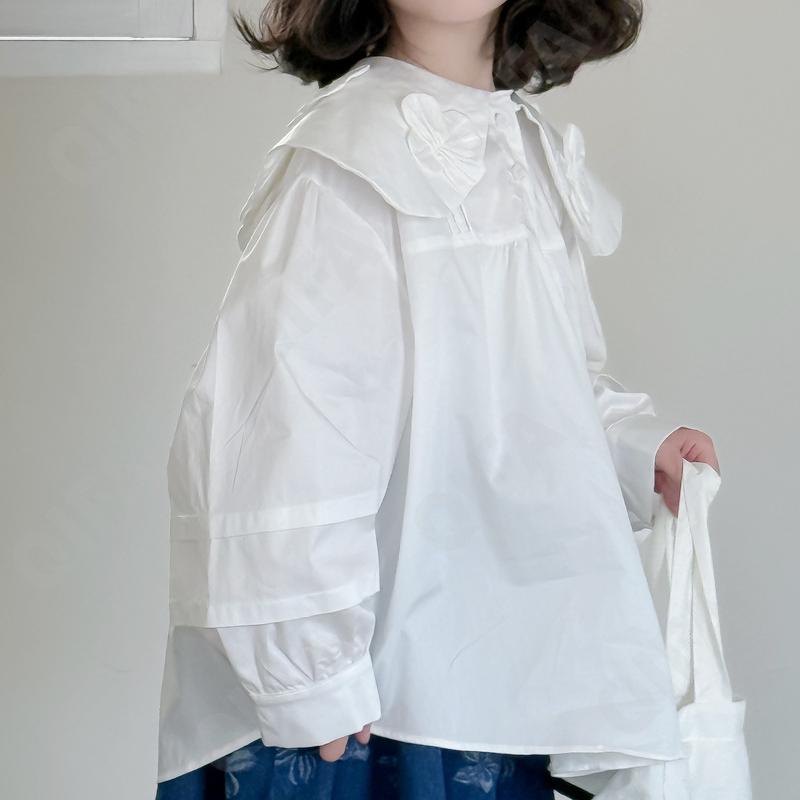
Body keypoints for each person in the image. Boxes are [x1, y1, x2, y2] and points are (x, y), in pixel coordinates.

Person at [154, 1, 721, 798]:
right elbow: (282, 424)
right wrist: (308, 673)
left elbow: (529, 379)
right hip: (368, 700)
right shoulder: (349, 157)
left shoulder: (519, 145)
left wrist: (631, 448)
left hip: (486, 674)